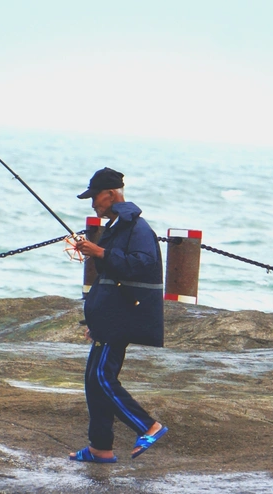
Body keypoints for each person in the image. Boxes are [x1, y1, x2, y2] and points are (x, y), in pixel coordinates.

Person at [69, 167, 168, 463]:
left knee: (102, 376)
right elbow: (113, 277)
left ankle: (148, 426)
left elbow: (143, 264)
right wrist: (94, 321)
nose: (93, 204)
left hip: (121, 319)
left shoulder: (137, 228)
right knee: (92, 378)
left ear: (111, 194)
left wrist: (99, 252)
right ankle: (101, 448)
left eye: (95, 197)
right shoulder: (117, 226)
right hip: (109, 318)